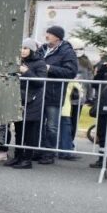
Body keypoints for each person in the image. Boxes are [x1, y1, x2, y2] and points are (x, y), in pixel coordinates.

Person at [37, 26, 79, 165]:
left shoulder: (67, 52)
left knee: (51, 126)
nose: (46, 36)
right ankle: (37, 151)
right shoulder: (42, 49)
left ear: (57, 37)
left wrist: (50, 68)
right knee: (38, 123)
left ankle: (49, 153)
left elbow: (71, 72)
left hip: (54, 93)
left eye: (49, 34)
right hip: (38, 92)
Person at [7, 41, 48, 169]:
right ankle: (18, 156)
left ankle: (27, 159)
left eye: (26, 48)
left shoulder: (40, 63)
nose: (23, 51)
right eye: (21, 48)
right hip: (19, 99)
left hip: (33, 101)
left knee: (30, 132)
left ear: (32, 50)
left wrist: (26, 71)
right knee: (19, 130)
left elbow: (40, 82)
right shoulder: (18, 61)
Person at [57, 53, 93, 159]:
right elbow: (88, 82)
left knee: (66, 124)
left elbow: (87, 82)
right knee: (69, 124)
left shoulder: (76, 62)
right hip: (76, 99)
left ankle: (66, 147)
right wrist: (89, 97)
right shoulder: (86, 63)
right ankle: (67, 147)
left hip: (73, 99)